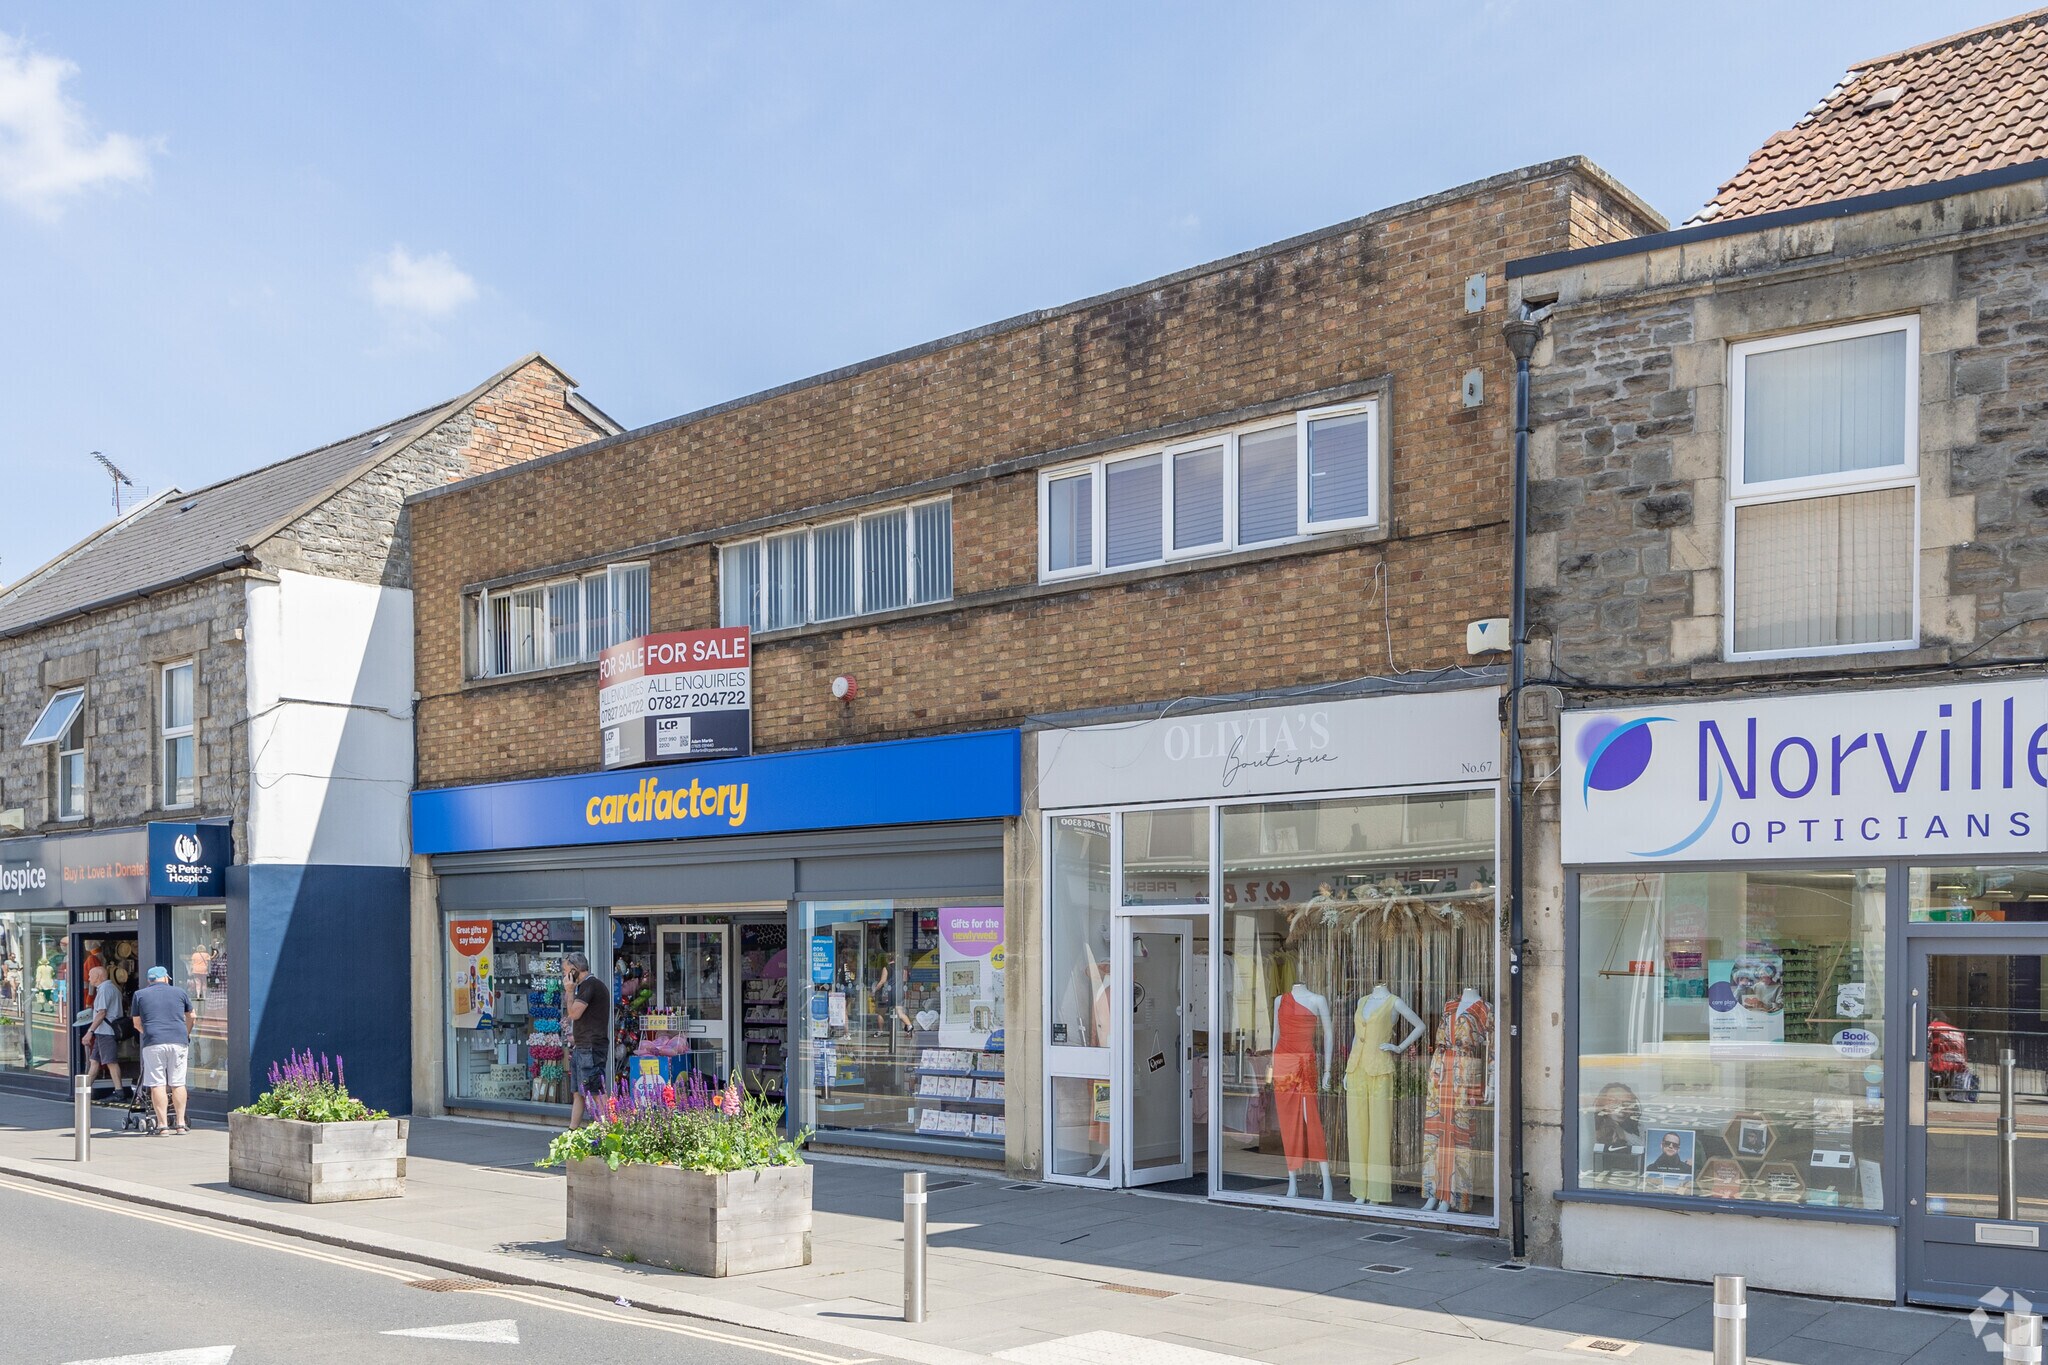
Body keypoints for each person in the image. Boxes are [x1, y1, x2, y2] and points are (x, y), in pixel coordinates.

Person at [130, 966, 195, 1135]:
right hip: (178, 1041)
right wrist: (186, 1032)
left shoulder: (140, 995)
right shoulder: (180, 992)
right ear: (166, 978)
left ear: (149, 980)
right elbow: (192, 1016)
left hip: (154, 1042)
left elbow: (136, 1023)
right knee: (178, 1082)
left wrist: (150, 1033)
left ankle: (162, 1125)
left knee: (157, 1082)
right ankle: (180, 1124)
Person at [564, 953, 609, 1129]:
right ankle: (572, 1130)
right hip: (582, 1046)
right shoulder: (585, 986)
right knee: (578, 1093)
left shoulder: (591, 985)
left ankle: (609, 1130)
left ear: (575, 970)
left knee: (595, 1091)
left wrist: (569, 991)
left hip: (591, 1047)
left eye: (566, 970)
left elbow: (574, 1013)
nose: (564, 975)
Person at [82, 965, 129, 1102]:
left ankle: (119, 1092)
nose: (88, 978)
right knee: (94, 1061)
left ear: (98, 976)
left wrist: (90, 1031)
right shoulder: (112, 988)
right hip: (102, 1032)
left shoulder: (104, 990)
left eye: (91, 975)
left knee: (111, 1062)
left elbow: (101, 1012)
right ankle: (83, 1090)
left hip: (105, 1032)